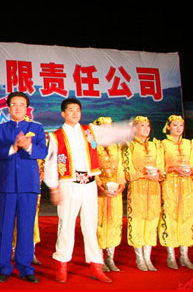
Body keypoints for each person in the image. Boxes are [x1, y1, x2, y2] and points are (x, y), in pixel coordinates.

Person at [43, 98, 133, 284]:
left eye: (78, 110)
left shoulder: (89, 131)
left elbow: (111, 133)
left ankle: (96, 266)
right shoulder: (56, 136)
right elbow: (51, 163)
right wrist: (53, 187)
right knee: (66, 225)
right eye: (70, 110)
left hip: (90, 183)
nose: (75, 113)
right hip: (69, 183)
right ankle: (62, 265)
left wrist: (130, 129)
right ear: (63, 113)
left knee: (91, 225)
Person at [0, 91, 47, 283]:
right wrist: (12, 148)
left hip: (28, 185)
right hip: (6, 185)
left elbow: (43, 152)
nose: (18, 108)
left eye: (22, 104)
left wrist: (28, 146)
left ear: (27, 108)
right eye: (14, 104)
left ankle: (25, 267)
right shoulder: (0, 129)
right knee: (4, 227)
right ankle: (3, 266)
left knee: (26, 227)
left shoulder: (36, 128)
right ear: (8, 108)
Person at [158, 115, 193, 270]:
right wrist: (174, 168)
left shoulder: (189, 144)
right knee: (170, 217)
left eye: (180, 125)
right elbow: (160, 166)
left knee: (187, 218)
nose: (178, 128)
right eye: (175, 125)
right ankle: (171, 256)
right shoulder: (163, 144)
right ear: (168, 127)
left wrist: (191, 171)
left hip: (187, 185)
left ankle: (184, 256)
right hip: (170, 184)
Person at [121, 116, 163, 272]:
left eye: (147, 125)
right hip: (138, 188)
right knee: (138, 221)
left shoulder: (155, 145)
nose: (146, 128)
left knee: (152, 220)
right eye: (142, 125)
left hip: (154, 189)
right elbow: (129, 172)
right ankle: (139, 257)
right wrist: (144, 175)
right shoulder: (129, 146)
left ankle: (148, 257)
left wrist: (158, 173)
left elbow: (161, 167)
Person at [93, 117, 125, 273]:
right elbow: (92, 169)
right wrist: (100, 187)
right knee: (99, 223)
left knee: (114, 222)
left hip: (114, 192)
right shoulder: (93, 146)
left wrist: (121, 185)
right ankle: (99, 258)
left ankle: (110, 258)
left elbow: (120, 168)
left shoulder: (116, 147)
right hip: (99, 192)